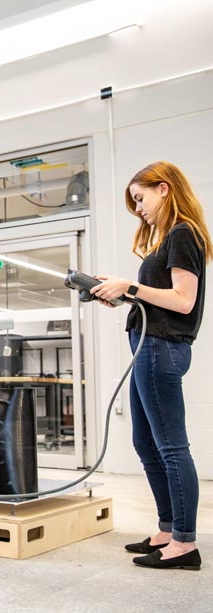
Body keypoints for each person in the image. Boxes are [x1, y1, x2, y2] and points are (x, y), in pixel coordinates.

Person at [92, 161, 211, 571]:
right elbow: (161, 298)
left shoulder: (183, 233)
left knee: (172, 447)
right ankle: (166, 529)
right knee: (145, 444)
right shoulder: (168, 239)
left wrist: (131, 286)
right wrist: (123, 294)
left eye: (140, 198)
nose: (138, 208)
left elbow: (183, 301)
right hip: (148, 346)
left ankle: (185, 543)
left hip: (162, 348)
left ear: (163, 189)